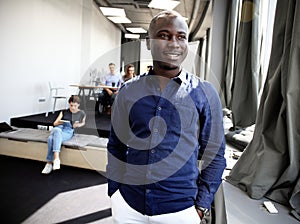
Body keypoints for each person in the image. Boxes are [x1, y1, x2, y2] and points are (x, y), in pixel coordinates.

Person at [107, 10, 226, 223]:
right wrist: (114, 190)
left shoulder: (205, 94)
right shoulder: (128, 91)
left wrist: (201, 205)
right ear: (148, 42)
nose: (174, 43)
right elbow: (116, 144)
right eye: (164, 35)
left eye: (181, 37)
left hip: (180, 210)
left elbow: (215, 154)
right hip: (128, 205)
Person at [41, 95, 86, 174]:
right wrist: (61, 122)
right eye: (71, 105)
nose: (73, 107)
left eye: (75, 106)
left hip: (68, 130)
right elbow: (55, 123)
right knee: (57, 129)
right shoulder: (63, 112)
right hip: (59, 127)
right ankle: (56, 158)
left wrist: (78, 125)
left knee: (51, 139)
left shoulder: (81, 113)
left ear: (78, 105)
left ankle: (49, 163)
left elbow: (83, 123)